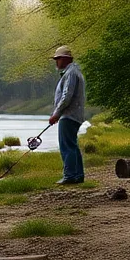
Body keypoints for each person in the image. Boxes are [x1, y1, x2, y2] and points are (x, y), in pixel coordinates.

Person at [48, 46, 86, 184]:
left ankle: (69, 176)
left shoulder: (71, 73)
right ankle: (78, 176)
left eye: (57, 59)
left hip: (69, 115)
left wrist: (56, 114)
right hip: (73, 115)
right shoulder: (74, 72)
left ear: (65, 59)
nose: (56, 62)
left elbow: (66, 96)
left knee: (66, 146)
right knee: (72, 145)